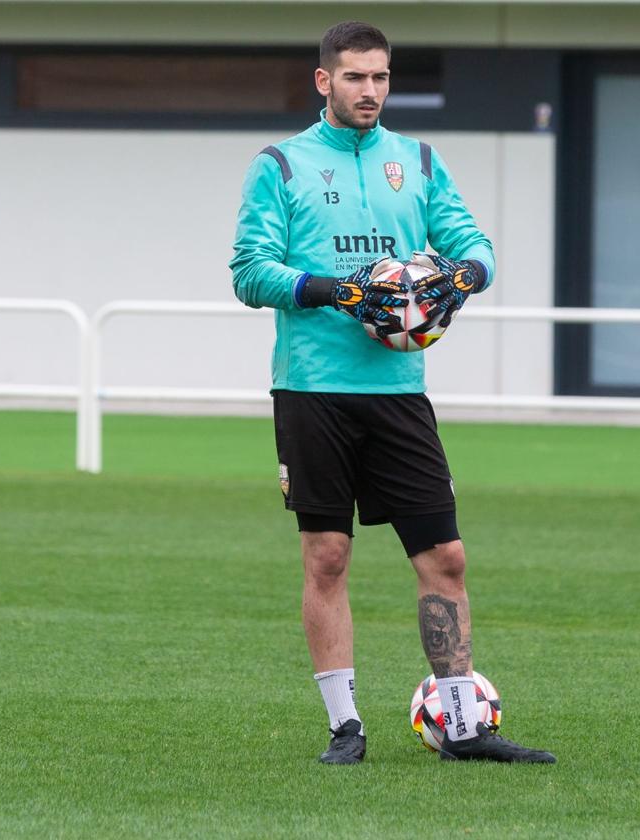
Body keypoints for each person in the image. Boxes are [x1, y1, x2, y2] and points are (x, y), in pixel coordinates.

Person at [229, 21, 555, 765]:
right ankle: (347, 728)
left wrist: (456, 284)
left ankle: (464, 729)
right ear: (324, 82)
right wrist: (341, 290)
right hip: (312, 389)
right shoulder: (280, 165)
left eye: (379, 77)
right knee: (328, 557)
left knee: (445, 556)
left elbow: (477, 248)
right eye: (354, 77)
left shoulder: (420, 160)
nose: (369, 90)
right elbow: (251, 273)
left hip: (398, 393)